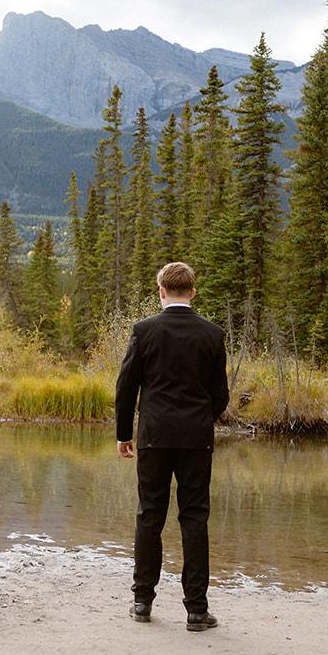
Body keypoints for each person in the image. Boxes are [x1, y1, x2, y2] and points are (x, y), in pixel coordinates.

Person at [114, 262, 229, 632]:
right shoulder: (212, 334)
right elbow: (220, 395)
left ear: (161, 291)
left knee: (150, 514)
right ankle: (196, 610)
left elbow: (126, 387)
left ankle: (142, 601)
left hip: (153, 436)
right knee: (194, 517)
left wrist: (124, 434)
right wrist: (200, 422)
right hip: (196, 438)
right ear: (192, 292)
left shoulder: (144, 331)